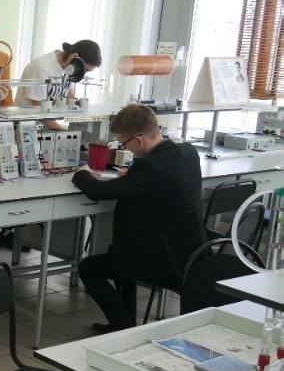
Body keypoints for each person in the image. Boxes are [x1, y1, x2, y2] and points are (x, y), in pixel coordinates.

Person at [72, 104, 204, 332]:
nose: (125, 149)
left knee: (89, 269)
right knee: (119, 255)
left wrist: (82, 173)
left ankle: (124, 328)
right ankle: (123, 323)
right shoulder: (187, 152)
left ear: (139, 140)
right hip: (190, 252)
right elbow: (157, 179)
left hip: (165, 259)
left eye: (124, 145)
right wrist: (134, 175)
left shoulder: (152, 168)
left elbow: (98, 191)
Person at [16, 40, 102, 130]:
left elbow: (69, 98)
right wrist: (64, 130)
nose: (83, 74)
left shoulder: (71, 68)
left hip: (46, 127)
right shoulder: (42, 68)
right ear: (74, 57)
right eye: (85, 70)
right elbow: (39, 111)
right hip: (27, 127)